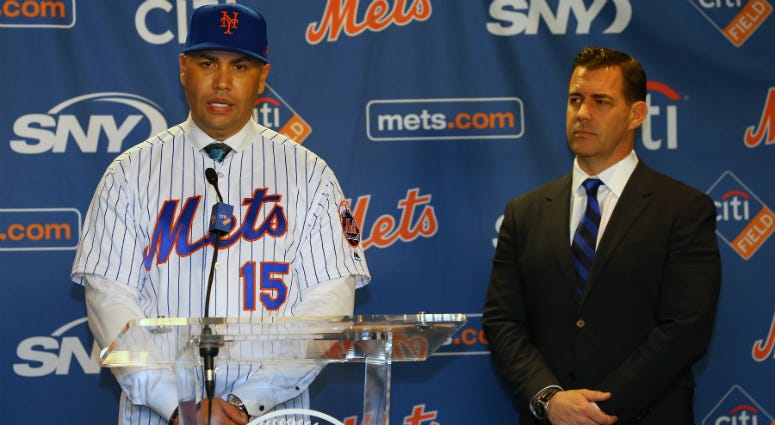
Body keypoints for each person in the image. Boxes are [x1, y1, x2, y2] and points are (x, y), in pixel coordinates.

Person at [71, 4, 370, 425]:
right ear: (183, 68)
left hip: (272, 416)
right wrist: (176, 404)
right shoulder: (129, 174)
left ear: (263, 76)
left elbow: (327, 307)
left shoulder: (310, 175)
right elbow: (110, 300)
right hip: (159, 416)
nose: (223, 82)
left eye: (241, 66)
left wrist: (248, 403)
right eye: (207, 63)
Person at [482, 47, 721, 425]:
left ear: (636, 114)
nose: (583, 113)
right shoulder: (524, 213)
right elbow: (503, 321)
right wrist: (551, 400)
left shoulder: (684, 210)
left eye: (601, 101)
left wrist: (597, 409)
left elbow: (685, 327)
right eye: (575, 99)